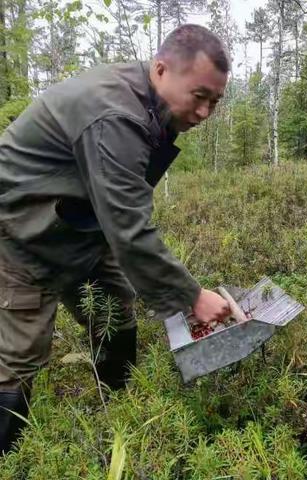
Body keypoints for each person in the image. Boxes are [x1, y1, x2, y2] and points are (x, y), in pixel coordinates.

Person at [0, 24, 231, 455]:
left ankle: (119, 414)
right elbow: (128, 229)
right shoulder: (117, 115)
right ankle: (10, 461)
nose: (204, 113)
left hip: (75, 224)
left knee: (114, 313)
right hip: (19, 228)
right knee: (19, 357)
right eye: (199, 96)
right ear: (161, 70)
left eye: (215, 102)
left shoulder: (144, 100)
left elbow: (120, 214)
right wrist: (192, 296)